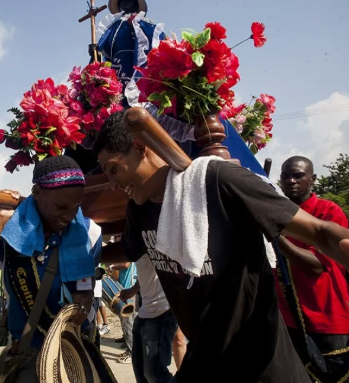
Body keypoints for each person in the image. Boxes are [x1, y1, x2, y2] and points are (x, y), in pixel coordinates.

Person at [94, 111, 349, 381]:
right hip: (204, 360)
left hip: (262, 365)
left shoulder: (218, 181)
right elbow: (127, 250)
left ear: (140, 146)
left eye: (113, 169)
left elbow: (321, 233)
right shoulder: (139, 210)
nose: (112, 184)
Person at [0, 156, 103, 383]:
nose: (69, 216)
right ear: (37, 192)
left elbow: (85, 291)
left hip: (74, 353)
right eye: (61, 207)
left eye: (76, 207)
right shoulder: (9, 230)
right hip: (25, 354)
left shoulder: (90, 232)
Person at [276, 156, 349, 381]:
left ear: (312, 179)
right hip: (289, 320)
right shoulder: (276, 211)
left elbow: (316, 265)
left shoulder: (327, 211)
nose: (291, 181)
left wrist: (275, 234)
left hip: (327, 317)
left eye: (298, 175)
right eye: (286, 176)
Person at [119, 254, 185, 382]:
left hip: (163, 311)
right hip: (145, 311)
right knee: (140, 370)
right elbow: (146, 271)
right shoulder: (140, 239)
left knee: (155, 374)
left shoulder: (162, 237)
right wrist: (133, 289)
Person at [108, 261, 137, 363]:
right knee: (128, 321)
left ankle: (131, 352)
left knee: (128, 322)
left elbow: (126, 264)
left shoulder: (128, 248)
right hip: (127, 288)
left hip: (129, 289)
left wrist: (111, 266)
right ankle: (128, 341)